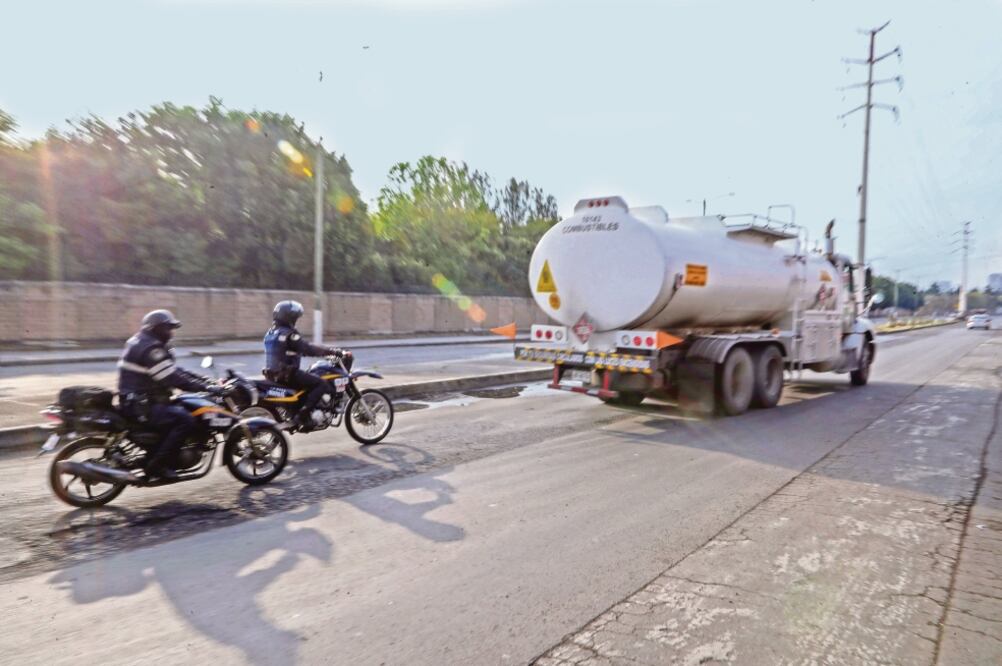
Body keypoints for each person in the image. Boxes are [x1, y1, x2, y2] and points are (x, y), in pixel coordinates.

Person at [118, 309, 222, 480]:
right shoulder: (152, 349)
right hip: (143, 405)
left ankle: (154, 456)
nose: (171, 333)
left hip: (137, 401)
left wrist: (205, 381)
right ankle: (157, 466)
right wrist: (207, 388)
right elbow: (172, 378)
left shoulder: (142, 340)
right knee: (185, 420)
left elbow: (173, 370)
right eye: (168, 328)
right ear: (156, 328)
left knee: (180, 410)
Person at [263, 300, 352, 430]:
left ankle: (303, 412)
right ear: (289, 318)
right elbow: (308, 348)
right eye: (295, 318)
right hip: (288, 375)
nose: (295, 321)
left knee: (309, 381)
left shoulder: (271, 333)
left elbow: (288, 351)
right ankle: (302, 416)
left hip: (273, 375)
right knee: (321, 384)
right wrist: (333, 351)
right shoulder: (290, 334)